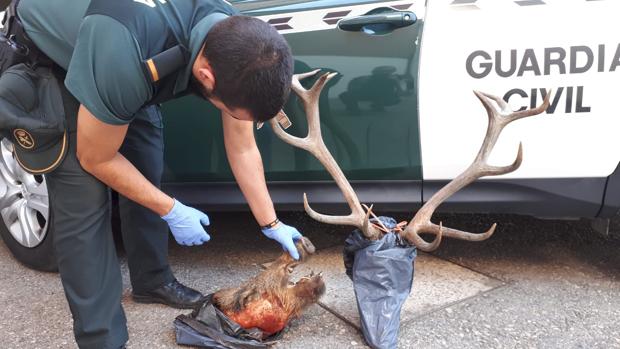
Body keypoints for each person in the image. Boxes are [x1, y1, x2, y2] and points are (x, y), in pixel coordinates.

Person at [10, 0, 302, 347]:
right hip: (56, 59)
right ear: (207, 76)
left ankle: (151, 281)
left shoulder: (235, 42)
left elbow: (242, 147)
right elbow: (96, 158)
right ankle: (102, 339)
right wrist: (171, 209)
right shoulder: (124, 57)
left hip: (122, 55)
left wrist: (271, 222)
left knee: (145, 158)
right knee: (84, 202)